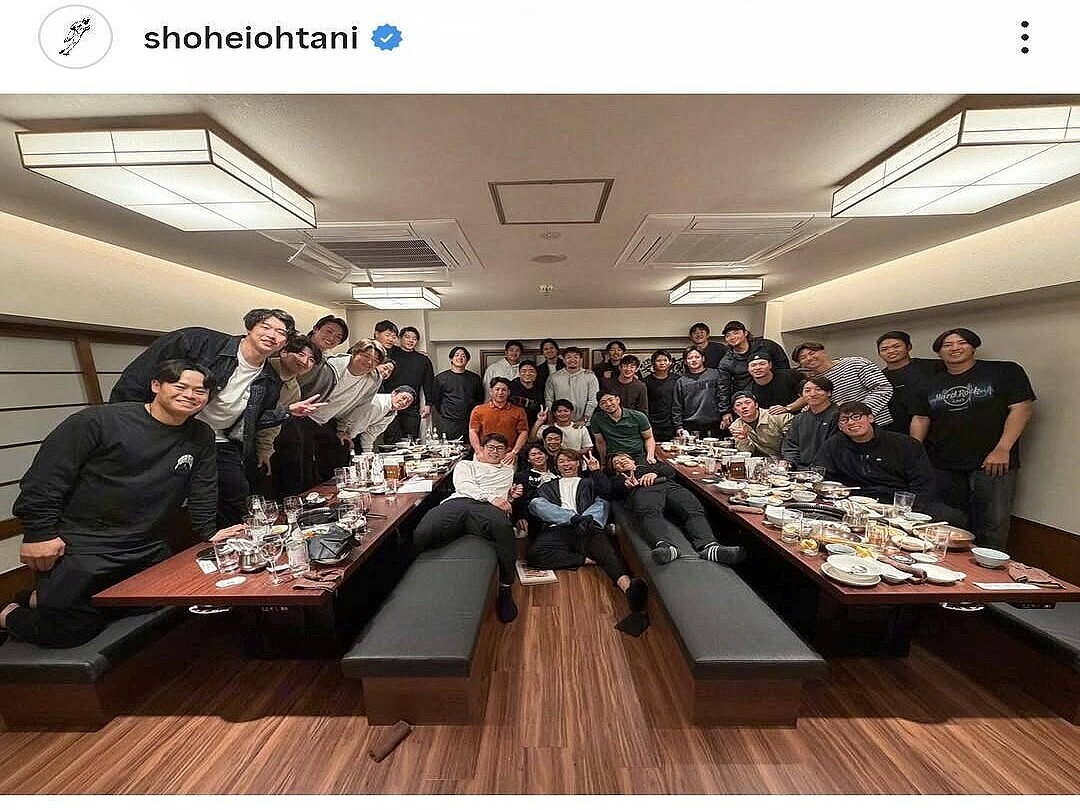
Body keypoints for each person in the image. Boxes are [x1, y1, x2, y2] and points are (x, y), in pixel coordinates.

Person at [1, 360, 245, 648]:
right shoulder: (98, 422)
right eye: (180, 386)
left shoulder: (200, 434)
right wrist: (39, 533)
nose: (190, 395)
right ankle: (8, 612)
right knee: (70, 632)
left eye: (200, 391)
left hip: (147, 546)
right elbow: (45, 479)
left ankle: (44, 599)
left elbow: (203, 487)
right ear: (156, 385)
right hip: (85, 546)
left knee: (160, 602)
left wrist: (209, 532)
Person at [109, 308, 324, 526]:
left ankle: (229, 542)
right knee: (155, 495)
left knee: (238, 498)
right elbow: (139, 377)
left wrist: (287, 412)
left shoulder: (269, 379)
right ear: (250, 327)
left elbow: (253, 421)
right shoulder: (199, 342)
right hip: (168, 431)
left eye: (281, 332)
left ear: (284, 342)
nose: (272, 335)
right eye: (266, 327)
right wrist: (130, 423)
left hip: (218, 439)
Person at [909, 328, 1036, 551]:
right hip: (942, 463)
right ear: (939, 352)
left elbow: (1021, 408)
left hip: (992, 461)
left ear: (973, 347)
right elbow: (920, 418)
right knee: (947, 520)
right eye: (947, 345)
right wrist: (915, 454)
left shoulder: (1004, 371)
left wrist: (1003, 448)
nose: (955, 348)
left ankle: (987, 568)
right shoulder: (929, 383)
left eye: (962, 343)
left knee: (993, 522)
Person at [411, 433, 523, 622]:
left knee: (504, 528)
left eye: (500, 448)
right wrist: (492, 497)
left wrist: (510, 497)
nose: (495, 451)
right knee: (424, 530)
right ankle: (411, 578)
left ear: (506, 452)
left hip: (488, 509)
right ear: (482, 449)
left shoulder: (508, 471)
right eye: (491, 447)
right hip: (460, 501)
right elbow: (464, 486)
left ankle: (505, 588)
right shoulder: (466, 465)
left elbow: (504, 497)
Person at [526, 449, 649, 615]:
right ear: (557, 466)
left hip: (588, 526)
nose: (566, 464)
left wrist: (595, 471)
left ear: (578, 463)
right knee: (536, 507)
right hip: (559, 526)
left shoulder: (589, 482)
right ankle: (587, 558)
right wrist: (572, 519)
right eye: (562, 461)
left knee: (603, 507)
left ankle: (628, 589)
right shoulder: (547, 486)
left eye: (570, 460)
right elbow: (537, 508)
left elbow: (607, 493)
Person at [815, 402, 965, 524]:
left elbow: (923, 485)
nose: (852, 422)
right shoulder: (834, 444)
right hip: (855, 501)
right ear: (840, 426)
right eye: (845, 420)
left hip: (898, 502)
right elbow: (821, 474)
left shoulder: (904, 444)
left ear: (871, 418)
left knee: (953, 517)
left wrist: (908, 509)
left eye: (856, 417)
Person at [604, 453, 746, 566]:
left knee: (692, 508)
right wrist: (625, 485)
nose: (621, 461)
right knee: (649, 511)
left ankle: (710, 547)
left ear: (632, 460)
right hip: (642, 490)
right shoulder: (619, 479)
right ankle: (666, 547)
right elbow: (612, 491)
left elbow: (670, 471)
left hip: (668, 485)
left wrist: (654, 473)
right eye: (617, 463)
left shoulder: (650, 465)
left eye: (623, 458)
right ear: (616, 471)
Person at [275, 316, 349, 494]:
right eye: (329, 331)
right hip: (280, 413)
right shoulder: (295, 347)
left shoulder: (324, 363)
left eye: (338, 337)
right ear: (316, 329)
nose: (332, 338)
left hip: (301, 417)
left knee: (304, 462)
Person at [305, 339, 386, 479]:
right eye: (366, 356)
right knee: (304, 462)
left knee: (339, 453)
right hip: (304, 415)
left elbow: (360, 407)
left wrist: (343, 430)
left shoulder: (373, 379)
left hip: (329, 420)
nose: (369, 362)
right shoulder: (331, 367)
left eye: (375, 361)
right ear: (355, 353)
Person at [255, 334, 322, 497]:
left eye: (311, 360)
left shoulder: (293, 389)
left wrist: (264, 449)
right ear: (284, 352)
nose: (305, 362)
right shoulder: (260, 369)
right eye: (300, 354)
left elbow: (275, 422)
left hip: (259, 437)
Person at [792, 341, 894, 427]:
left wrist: (858, 412)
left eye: (812, 353)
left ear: (823, 351)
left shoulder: (855, 363)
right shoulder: (812, 382)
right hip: (844, 428)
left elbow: (884, 388)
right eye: (803, 357)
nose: (809, 358)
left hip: (877, 423)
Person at [876, 330, 945, 434]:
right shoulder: (878, 378)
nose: (890, 351)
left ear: (909, 347)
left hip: (938, 427)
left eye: (896, 346)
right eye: (884, 349)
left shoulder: (933, 366)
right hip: (897, 432)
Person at [382, 326, 436, 443]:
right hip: (390, 404)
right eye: (407, 337)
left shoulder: (423, 360)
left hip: (411, 406)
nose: (410, 341)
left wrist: (428, 404)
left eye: (414, 338)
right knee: (391, 437)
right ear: (400, 338)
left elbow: (428, 383)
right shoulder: (390, 353)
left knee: (411, 438)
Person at [781, 376, 840, 469]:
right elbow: (791, 445)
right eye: (807, 391)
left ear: (829, 392)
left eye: (818, 389)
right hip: (801, 470)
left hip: (829, 470)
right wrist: (790, 462)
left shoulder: (839, 416)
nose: (812, 394)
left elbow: (836, 449)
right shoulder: (799, 419)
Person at [671, 346, 731, 437]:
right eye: (690, 358)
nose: (694, 360)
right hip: (691, 425)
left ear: (703, 359)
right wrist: (678, 426)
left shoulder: (715, 374)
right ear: (685, 362)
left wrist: (725, 413)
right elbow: (677, 406)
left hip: (715, 424)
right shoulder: (681, 382)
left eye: (697, 357)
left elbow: (724, 395)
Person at [469, 377, 529, 464]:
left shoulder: (519, 411)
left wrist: (514, 452)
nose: (500, 393)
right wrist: (478, 451)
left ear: (509, 392)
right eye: (497, 389)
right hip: (484, 454)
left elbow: (523, 432)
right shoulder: (479, 410)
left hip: (507, 456)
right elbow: (473, 431)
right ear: (491, 391)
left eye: (504, 390)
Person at [717, 321, 790, 392]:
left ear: (745, 333)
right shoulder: (726, 361)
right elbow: (724, 386)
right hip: (747, 395)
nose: (732, 337)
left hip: (773, 388)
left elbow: (783, 367)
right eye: (728, 336)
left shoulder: (766, 345)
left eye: (736, 333)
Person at [432, 346, 486, 441]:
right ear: (451, 359)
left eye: (463, 356)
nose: (460, 358)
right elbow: (436, 400)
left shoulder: (475, 378)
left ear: (467, 360)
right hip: (448, 422)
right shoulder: (440, 378)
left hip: (469, 421)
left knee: (470, 447)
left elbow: (479, 399)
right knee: (449, 447)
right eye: (457, 355)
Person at [590, 390, 657, 465]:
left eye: (610, 400)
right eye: (603, 403)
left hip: (638, 454)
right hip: (615, 455)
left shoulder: (638, 416)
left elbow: (648, 437)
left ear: (618, 400)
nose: (608, 404)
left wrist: (650, 456)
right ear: (600, 406)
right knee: (623, 466)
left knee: (647, 470)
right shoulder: (597, 419)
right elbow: (600, 442)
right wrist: (603, 463)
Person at [348, 386, 417, 453]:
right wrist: (349, 436)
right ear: (394, 393)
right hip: (346, 428)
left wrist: (368, 452)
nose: (404, 402)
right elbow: (358, 422)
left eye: (408, 402)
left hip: (353, 433)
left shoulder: (392, 413)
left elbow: (371, 433)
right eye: (403, 397)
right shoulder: (377, 403)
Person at [544, 346, 599, 426]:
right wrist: (551, 419)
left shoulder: (590, 376)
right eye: (568, 357)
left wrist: (585, 419)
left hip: (583, 423)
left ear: (581, 359)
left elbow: (593, 400)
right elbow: (549, 400)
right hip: (559, 422)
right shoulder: (553, 377)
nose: (572, 360)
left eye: (576, 357)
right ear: (563, 360)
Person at [729, 391, 793, 458]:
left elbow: (794, 442)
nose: (744, 407)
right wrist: (743, 439)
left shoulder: (778, 416)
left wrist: (788, 459)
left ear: (756, 405)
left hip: (788, 457)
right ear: (734, 410)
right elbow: (747, 452)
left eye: (748, 402)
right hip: (763, 460)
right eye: (738, 405)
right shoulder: (736, 426)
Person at [644, 349, 680, 442]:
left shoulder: (677, 379)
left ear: (670, 362)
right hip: (653, 423)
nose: (662, 363)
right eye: (659, 360)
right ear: (653, 363)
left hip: (672, 424)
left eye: (665, 360)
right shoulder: (646, 381)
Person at [509, 359, 545, 425]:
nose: (527, 374)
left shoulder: (541, 387)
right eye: (524, 371)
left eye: (531, 371)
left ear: (536, 374)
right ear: (519, 373)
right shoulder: (510, 387)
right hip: (514, 423)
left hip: (536, 423)